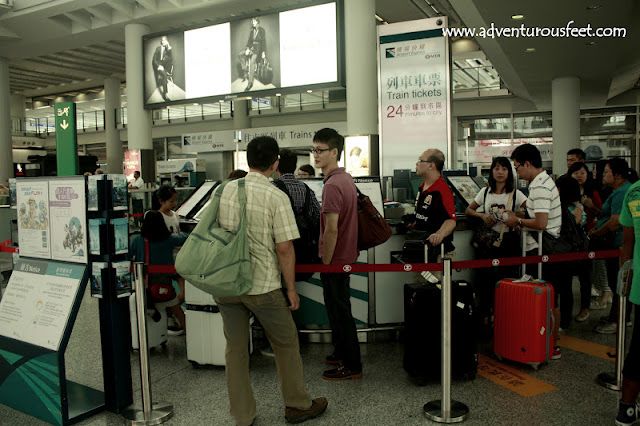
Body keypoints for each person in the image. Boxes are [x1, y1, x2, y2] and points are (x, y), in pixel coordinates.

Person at [215, 136, 327, 425]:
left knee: (235, 350)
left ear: (248, 160)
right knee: (286, 343)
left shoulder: (225, 190)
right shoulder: (275, 196)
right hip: (262, 285)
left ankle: (242, 414)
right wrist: (291, 289)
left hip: (227, 283)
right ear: (275, 164)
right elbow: (284, 248)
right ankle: (297, 404)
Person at [504, 143, 564, 358]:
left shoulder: (539, 187)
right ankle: (548, 343)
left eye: (517, 167)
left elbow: (540, 223)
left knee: (546, 298)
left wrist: (517, 221)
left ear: (527, 164)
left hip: (542, 250)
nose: (517, 172)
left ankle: (550, 345)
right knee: (550, 297)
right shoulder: (544, 181)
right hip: (546, 248)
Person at [312, 128, 362, 381]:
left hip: (335, 260)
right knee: (340, 309)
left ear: (334, 152)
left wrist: (326, 262)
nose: (315, 155)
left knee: (340, 312)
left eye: (320, 150)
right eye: (313, 150)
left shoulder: (332, 185)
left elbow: (331, 229)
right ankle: (341, 352)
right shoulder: (346, 179)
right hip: (346, 256)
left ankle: (352, 365)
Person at [465, 156, 527, 326]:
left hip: (509, 242)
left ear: (509, 172)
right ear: (491, 171)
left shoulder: (516, 194)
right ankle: (487, 316)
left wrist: (514, 215)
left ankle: (505, 318)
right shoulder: (485, 192)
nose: (500, 172)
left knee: (507, 280)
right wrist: (483, 216)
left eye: (504, 169)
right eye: (497, 168)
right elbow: (469, 210)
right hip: (487, 243)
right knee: (485, 280)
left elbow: (531, 211)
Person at [592, 158, 633, 334]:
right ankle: (617, 316)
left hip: (621, 246)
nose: (603, 175)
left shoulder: (622, 192)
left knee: (620, 283)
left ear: (617, 175)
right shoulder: (618, 191)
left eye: (606, 172)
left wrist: (596, 233)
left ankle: (619, 320)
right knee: (616, 282)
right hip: (617, 245)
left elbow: (615, 221)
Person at [130, 210, 187, 334]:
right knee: (177, 310)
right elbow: (185, 239)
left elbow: (128, 257)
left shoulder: (138, 240)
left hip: (144, 287)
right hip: (164, 286)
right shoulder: (168, 240)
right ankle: (188, 332)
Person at [614, 178, 640, 426]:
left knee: (639, 349)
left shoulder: (634, 191)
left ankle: (626, 409)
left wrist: (626, 278)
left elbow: (628, 242)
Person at [409, 148, 457, 280]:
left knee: (435, 291)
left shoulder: (442, 190)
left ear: (431, 165)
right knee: (419, 288)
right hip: (423, 252)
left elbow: (451, 220)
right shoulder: (422, 187)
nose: (417, 164)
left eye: (420, 160)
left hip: (439, 253)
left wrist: (439, 234)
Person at [569, 161, 605, 321]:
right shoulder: (565, 191)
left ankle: (585, 308)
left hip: (587, 237)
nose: (579, 176)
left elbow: (602, 214)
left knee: (585, 275)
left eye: (582, 173)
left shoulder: (592, 192)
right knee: (567, 275)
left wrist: (590, 206)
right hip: (568, 237)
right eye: (576, 173)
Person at [241, 17, 266, 91]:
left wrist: (263, 52)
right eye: (252, 21)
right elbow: (249, 41)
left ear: (257, 22)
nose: (252, 23)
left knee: (251, 62)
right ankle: (245, 70)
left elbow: (263, 42)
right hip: (251, 48)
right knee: (240, 55)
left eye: (254, 21)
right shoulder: (252, 30)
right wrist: (247, 49)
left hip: (258, 50)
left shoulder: (262, 30)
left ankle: (250, 83)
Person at [152, 36, 173, 101]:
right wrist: (159, 66)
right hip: (157, 65)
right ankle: (164, 94)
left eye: (165, 40)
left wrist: (168, 45)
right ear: (161, 41)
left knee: (170, 59)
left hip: (163, 65)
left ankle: (167, 73)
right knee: (164, 75)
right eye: (162, 40)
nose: (163, 42)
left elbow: (170, 55)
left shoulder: (167, 49)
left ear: (167, 41)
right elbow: (154, 60)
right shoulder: (158, 48)